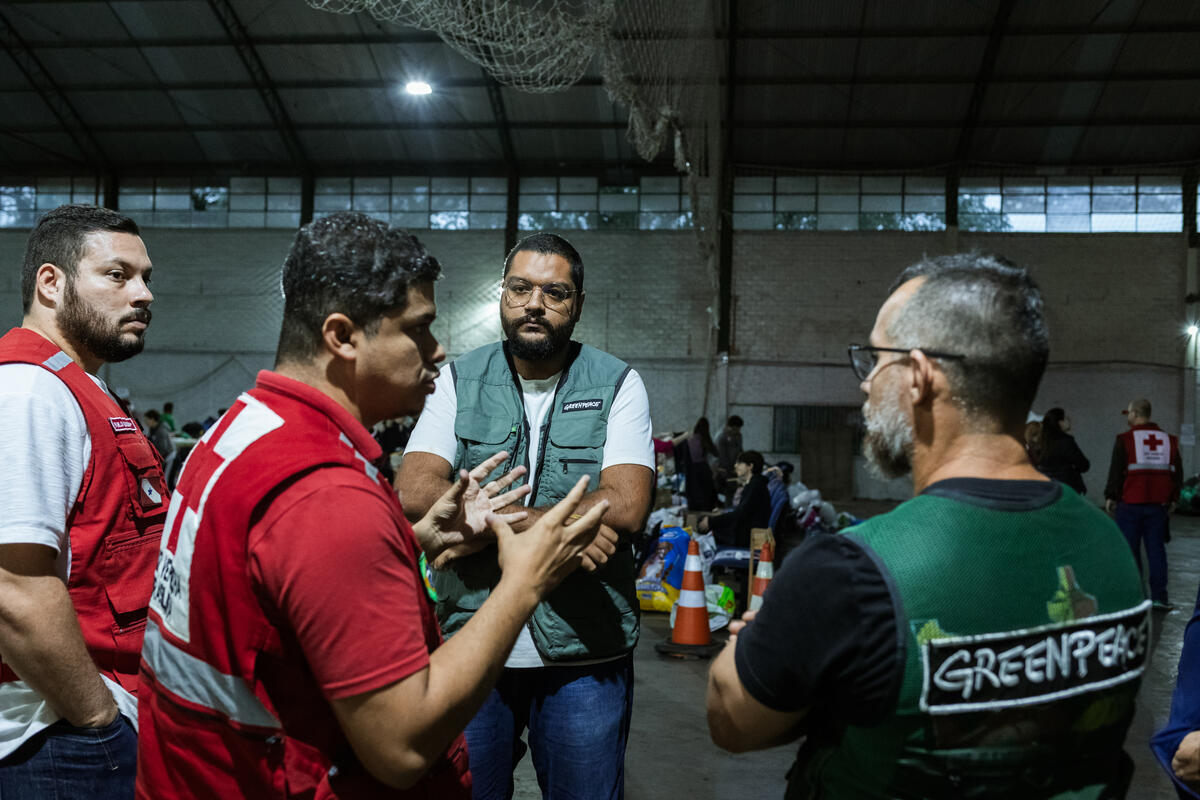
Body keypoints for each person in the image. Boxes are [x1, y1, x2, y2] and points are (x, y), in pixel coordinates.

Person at [135, 213, 612, 799]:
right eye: (418, 329)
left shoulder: (245, 429)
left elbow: (276, 587)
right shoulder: (327, 496)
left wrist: (414, 544)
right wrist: (523, 583)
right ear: (342, 337)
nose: (437, 351)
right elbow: (402, 748)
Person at [706, 253, 1148, 798]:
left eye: (875, 360)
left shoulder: (850, 571)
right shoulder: (1113, 550)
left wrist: (779, 638)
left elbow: (732, 720)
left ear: (918, 376)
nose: (867, 385)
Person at [396, 231, 654, 800]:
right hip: (472, 646)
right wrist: (559, 528)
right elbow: (415, 490)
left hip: (586, 655)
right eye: (520, 289)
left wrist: (477, 523)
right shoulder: (458, 381)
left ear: (577, 305)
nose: (534, 304)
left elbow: (629, 503)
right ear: (502, 297)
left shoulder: (617, 384)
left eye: (554, 292)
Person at [0, 204, 165, 797]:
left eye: (146, 278)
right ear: (52, 282)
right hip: (53, 737)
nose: (143, 294)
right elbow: (12, 589)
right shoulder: (27, 392)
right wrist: (98, 717)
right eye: (118, 276)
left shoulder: (77, 386)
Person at [1104, 397, 1181, 610]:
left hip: (1130, 504)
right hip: (1158, 506)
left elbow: (1117, 470)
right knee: (1156, 550)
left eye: (1128, 413)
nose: (1128, 417)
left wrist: (1111, 495)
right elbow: (1176, 472)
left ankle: (1135, 599)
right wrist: (1174, 498)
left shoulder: (1125, 439)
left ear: (1136, 414)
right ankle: (1159, 597)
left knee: (1130, 551)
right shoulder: (1169, 440)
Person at [699, 451, 771, 548]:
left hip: (746, 536)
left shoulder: (755, 487)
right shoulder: (755, 484)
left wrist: (711, 522)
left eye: (740, 463)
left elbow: (739, 514)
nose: (735, 466)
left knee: (704, 525)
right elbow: (741, 511)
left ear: (750, 466)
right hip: (744, 530)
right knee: (708, 522)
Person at [1037, 406, 1089, 495]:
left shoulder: (1041, 443)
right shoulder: (1066, 442)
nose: (1069, 421)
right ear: (1060, 422)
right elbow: (1083, 465)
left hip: (1047, 490)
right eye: (1066, 419)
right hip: (1068, 489)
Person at [678, 416, 718, 511]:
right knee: (706, 495)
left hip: (691, 470)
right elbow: (716, 453)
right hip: (703, 469)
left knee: (695, 494)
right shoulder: (705, 439)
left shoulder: (689, 440)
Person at [714, 414, 744, 487]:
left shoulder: (738, 436)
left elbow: (740, 450)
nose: (737, 431)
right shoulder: (721, 436)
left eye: (738, 429)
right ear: (729, 427)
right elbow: (721, 455)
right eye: (735, 429)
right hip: (722, 469)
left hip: (734, 468)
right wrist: (727, 469)